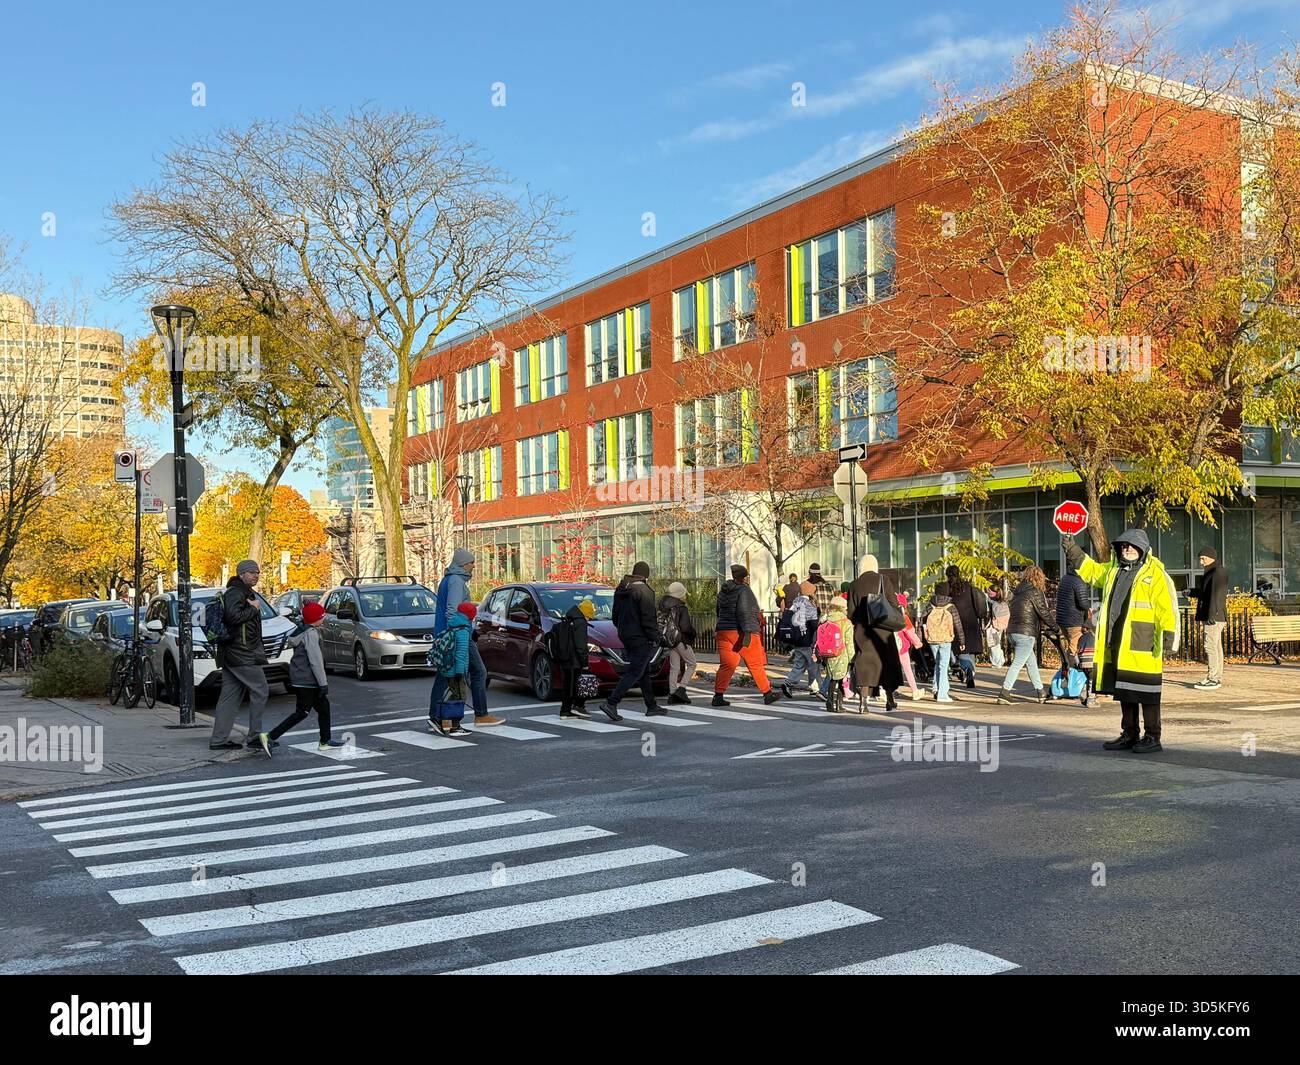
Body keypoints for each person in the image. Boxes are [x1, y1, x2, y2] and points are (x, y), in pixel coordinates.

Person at [1065, 529, 1177, 753]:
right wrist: (1072, 549)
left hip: (1144, 642)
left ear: (1142, 549)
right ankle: (1130, 733)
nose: (1127, 549)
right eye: (1124, 545)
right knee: (1126, 690)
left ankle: (1153, 736)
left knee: (1148, 692)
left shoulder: (1155, 573)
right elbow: (1091, 571)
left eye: (1132, 545)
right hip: (1119, 641)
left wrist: (1168, 635)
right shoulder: (1113, 570)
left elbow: (1166, 606)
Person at [429, 548, 502, 728]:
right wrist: (459, 632)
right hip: (457, 635)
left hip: (449, 634)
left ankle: (436, 716)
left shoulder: (449, 579)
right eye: (471, 563)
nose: (474, 566)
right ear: (463, 564)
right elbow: (452, 610)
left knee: (444, 675)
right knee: (478, 672)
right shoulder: (456, 581)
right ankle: (480, 715)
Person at [210, 559, 271, 755]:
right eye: (251, 572)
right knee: (261, 690)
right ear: (241, 574)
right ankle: (254, 737)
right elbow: (233, 617)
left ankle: (219, 739)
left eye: (257, 572)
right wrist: (253, 608)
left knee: (229, 697)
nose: (256, 575)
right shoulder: (237, 593)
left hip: (233, 653)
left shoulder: (241, 592)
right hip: (242, 653)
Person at [268, 601, 343, 749]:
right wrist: (323, 684)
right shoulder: (311, 634)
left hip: (301, 678)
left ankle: (325, 740)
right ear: (316, 619)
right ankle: (270, 736)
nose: (324, 618)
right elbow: (315, 661)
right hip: (307, 680)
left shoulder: (302, 631)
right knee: (302, 712)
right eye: (322, 616)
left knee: (323, 708)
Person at [598, 561, 663, 721]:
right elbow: (648, 619)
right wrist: (656, 637)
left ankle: (651, 705)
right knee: (635, 671)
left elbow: (615, 616)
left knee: (642, 670)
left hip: (625, 634)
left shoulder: (621, 589)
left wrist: (623, 629)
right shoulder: (645, 591)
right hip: (641, 636)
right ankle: (611, 702)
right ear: (646, 575)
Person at [714, 564, 780, 706]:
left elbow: (718, 610)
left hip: (723, 631)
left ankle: (718, 696)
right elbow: (745, 611)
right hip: (741, 631)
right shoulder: (744, 590)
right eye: (747, 576)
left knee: (727, 664)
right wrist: (748, 632)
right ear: (744, 577)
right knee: (755, 663)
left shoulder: (723, 591)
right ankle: (767, 693)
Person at [846, 554, 903, 712]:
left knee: (865, 664)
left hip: (862, 631)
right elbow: (893, 604)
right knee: (886, 664)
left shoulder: (854, 585)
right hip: (882, 630)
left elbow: (851, 613)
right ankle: (889, 699)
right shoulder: (883, 580)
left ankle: (863, 702)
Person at [997, 565, 1060, 704]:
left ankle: (1040, 691)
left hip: (1013, 632)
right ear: (1039, 577)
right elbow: (1043, 612)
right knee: (1018, 663)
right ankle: (1005, 692)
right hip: (1026, 633)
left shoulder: (1017, 593)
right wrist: (1056, 628)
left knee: (1031, 663)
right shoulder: (1035, 592)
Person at [1188, 546, 1227, 691]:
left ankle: (1213, 678)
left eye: (1203, 558)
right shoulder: (1214, 571)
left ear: (1211, 557)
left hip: (1214, 616)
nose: (1201, 562)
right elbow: (1207, 593)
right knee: (1215, 646)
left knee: (1210, 646)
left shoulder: (1217, 572)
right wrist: (1192, 592)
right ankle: (1216, 677)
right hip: (1216, 615)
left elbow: (1216, 595)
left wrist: (1211, 614)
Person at [945, 565, 987, 689]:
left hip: (956, 622)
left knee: (961, 650)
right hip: (971, 621)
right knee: (971, 650)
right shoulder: (968, 586)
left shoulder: (948, 588)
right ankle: (971, 672)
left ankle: (967, 669)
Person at [923, 580, 966, 704]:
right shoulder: (950, 606)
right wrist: (962, 641)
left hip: (932, 639)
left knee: (937, 663)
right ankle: (942, 694)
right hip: (946, 639)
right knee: (943, 665)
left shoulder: (930, 605)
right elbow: (958, 624)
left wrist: (921, 637)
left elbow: (922, 620)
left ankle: (936, 689)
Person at [552, 598, 594, 719]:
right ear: (586, 613)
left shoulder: (569, 619)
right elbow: (581, 645)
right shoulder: (580, 622)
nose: (589, 619)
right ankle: (575, 707)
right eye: (589, 616)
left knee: (568, 685)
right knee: (578, 685)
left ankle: (567, 709)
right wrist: (585, 662)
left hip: (566, 658)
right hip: (574, 660)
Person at [780, 580, 820, 699]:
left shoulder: (795, 603)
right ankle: (816, 688)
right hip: (808, 640)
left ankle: (788, 683)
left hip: (797, 640)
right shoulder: (809, 605)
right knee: (814, 665)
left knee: (799, 664)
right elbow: (813, 624)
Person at [659, 582, 697, 704]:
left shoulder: (663, 606)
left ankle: (672, 693)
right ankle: (682, 689)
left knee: (674, 668)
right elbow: (685, 627)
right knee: (692, 664)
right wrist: (693, 633)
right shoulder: (681, 608)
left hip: (669, 640)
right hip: (681, 640)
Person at [817, 596, 855, 713]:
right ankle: (839, 704)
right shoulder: (846, 622)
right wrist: (852, 658)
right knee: (841, 679)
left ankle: (829, 702)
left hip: (828, 655)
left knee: (832, 678)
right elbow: (849, 642)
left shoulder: (826, 620)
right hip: (842, 654)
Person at [1056, 558, 1092, 665]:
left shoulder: (1064, 578)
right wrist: (1090, 608)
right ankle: (1071, 670)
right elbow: (1083, 603)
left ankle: (1067, 667)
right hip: (1074, 621)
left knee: (1071, 645)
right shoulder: (1078, 582)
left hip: (1062, 620)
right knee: (1074, 648)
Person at [894, 591, 926, 701]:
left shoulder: (887, 616)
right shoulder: (904, 618)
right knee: (907, 669)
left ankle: (885, 690)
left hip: (890, 647)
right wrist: (918, 643)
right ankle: (915, 691)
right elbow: (910, 633)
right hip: (901, 647)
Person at [986, 585, 1010, 668]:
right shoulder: (1003, 602)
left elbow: (989, 614)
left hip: (993, 626)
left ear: (995, 592)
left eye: (989, 591)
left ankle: (997, 663)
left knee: (993, 644)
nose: (988, 592)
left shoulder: (991, 602)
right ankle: (1000, 660)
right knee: (997, 643)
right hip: (1001, 626)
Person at [1078, 620, 1097, 707]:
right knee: (1092, 681)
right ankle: (1091, 700)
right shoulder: (1094, 637)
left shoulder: (1081, 638)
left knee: (1086, 680)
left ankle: (1083, 695)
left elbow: (1077, 651)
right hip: (1091, 662)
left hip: (1082, 663)